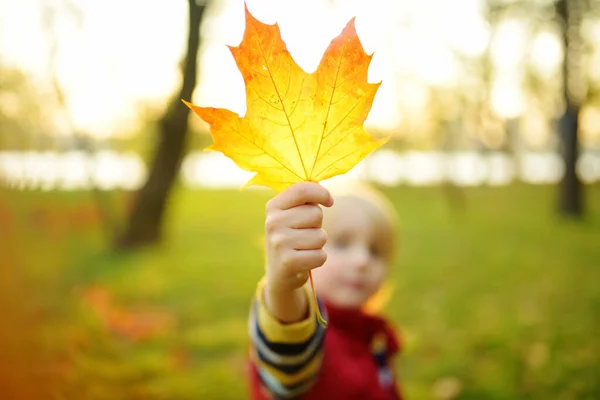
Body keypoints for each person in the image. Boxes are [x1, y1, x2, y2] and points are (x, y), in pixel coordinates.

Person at [247, 181, 402, 399]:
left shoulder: (371, 333)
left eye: (375, 251)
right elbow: (289, 336)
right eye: (341, 243)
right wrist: (284, 284)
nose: (362, 260)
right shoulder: (307, 331)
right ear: (302, 247)